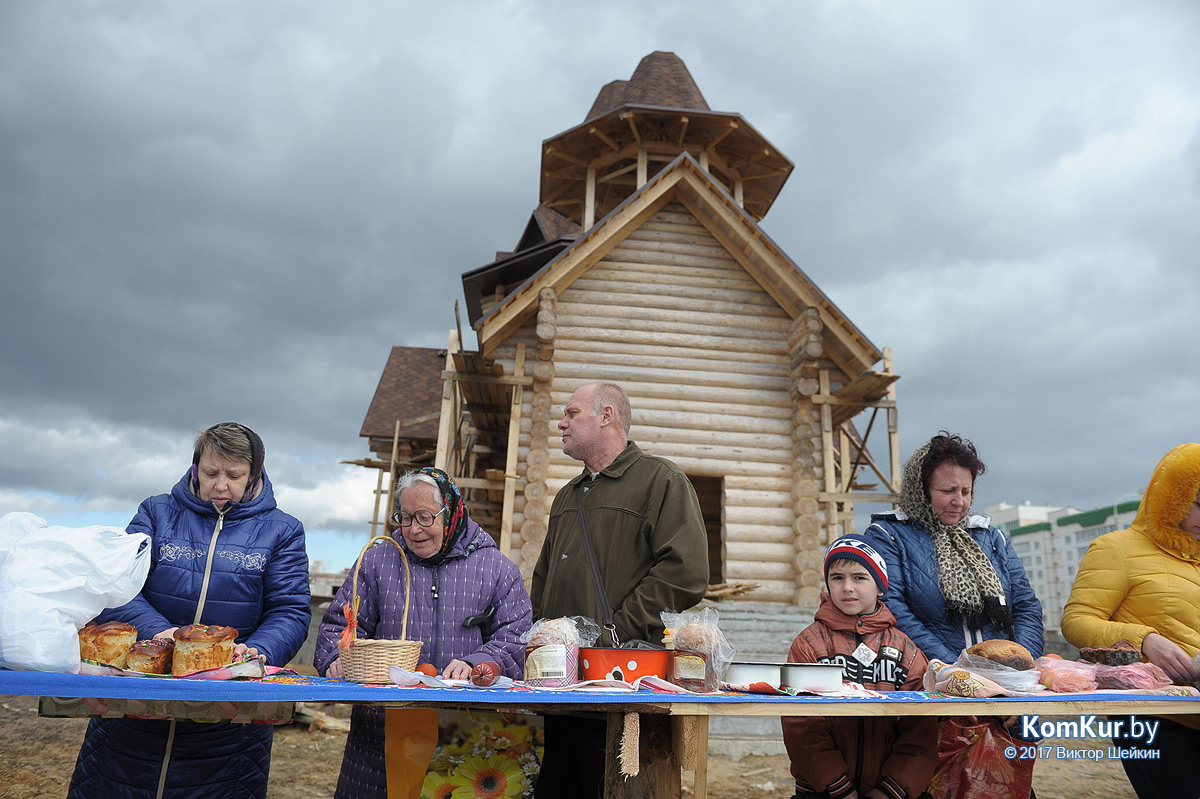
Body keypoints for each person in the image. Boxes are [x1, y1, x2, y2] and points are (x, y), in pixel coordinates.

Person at [68, 422, 312, 799]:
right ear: (195, 467)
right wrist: (160, 633)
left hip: (228, 719)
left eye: (234, 475)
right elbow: (119, 587)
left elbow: (290, 610)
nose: (220, 485)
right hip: (136, 699)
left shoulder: (282, 531)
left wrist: (255, 652)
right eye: (210, 472)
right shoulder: (156, 513)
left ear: (254, 475)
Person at [531, 381, 710, 798]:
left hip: (624, 691)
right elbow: (543, 581)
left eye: (572, 413)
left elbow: (686, 571)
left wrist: (618, 632)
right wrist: (542, 641)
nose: (561, 423)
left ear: (606, 415)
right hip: (562, 688)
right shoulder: (566, 496)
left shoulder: (660, 480)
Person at [315, 467, 532, 799]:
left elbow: (516, 635)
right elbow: (338, 625)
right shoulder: (377, 562)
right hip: (380, 730)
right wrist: (336, 657)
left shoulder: (496, 569)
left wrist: (482, 660)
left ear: (450, 513)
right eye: (405, 517)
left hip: (465, 730)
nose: (414, 529)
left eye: (425, 517)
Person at [863, 432, 1044, 799]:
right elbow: (894, 609)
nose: (959, 502)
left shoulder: (991, 537)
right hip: (933, 697)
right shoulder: (889, 534)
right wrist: (963, 676)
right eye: (948, 490)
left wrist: (1015, 680)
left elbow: (1026, 605)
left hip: (1007, 700)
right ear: (921, 489)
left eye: (967, 491)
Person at [1061, 443, 1200, 799]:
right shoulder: (1117, 548)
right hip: (1153, 716)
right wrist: (1144, 640)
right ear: (1170, 496)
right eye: (1197, 503)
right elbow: (1076, 621)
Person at [782, 537, 936, 799]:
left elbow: (922, 726)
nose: (847, 587)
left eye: (859, 578)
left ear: (880, 587)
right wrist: (837, 786)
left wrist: (892, 789)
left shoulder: (905, 651)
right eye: (837, 577)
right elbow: (802, 726)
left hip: (894, 792)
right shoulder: (809, 644)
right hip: (822, 791)